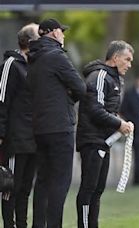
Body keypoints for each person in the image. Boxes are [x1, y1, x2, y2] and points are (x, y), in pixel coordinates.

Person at [27, 18, 86, 228]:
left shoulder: (33, 58)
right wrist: (68, 98)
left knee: (42, 180)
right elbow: (80, 87)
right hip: (60, 127)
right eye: (62, 31)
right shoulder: (57, 56)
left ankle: (38, 225)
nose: (63, 35)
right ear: (53, 33)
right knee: (60, 181)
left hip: (39, 128)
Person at [76, 40, 134, 228]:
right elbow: (95, 109)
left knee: (98, 189)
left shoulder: (115, 78)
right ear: (115, 58)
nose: (129, 64)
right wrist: (119, 124)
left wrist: (120, 121)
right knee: (88, 188)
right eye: (127, 59)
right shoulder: (99, 76)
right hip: (92, 140)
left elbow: (108, 109)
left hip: (103, 141)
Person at [0, 23, 39, 228]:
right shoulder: (11, 65)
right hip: (15, 139)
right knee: (10, 186)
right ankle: (9, 224)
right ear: (30, 41)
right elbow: (1, 100)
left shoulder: (36, 65)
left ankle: (22, 224)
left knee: (25, 187)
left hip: (33, 138)